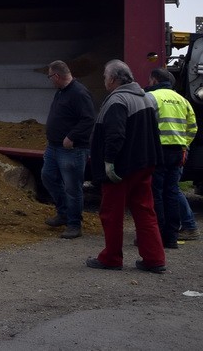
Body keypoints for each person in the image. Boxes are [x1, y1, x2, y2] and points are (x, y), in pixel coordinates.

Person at [85, 59, 166, 274]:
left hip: (122, 168)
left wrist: (109, 163)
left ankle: (111, 258)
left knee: (112, 213)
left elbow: (115, 135)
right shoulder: (146, 98)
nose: (104, 81)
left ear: (112, 79)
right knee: (145, 211)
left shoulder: (117, 101)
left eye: (104, 77)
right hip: (145, 164)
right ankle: (154, 259)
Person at [41, 60, 96, 239]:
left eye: (50, 76)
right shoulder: (61, 92)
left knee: (73, 188)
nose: (50, 80)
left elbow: (88, 119)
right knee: (48, 177)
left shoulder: (79, 93)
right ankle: (63, 213)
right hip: (53, 147)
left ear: (57, 76)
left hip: (71, 149)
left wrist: (71, 136)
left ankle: (74, 223)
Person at [145, 68, 197, 248]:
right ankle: (172, 237)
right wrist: (184, 145)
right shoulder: (182, 100)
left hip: (158, 152)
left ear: (154, 80)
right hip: (177, 152)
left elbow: (145, 125)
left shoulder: (151, 98)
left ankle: (157, 235)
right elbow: (193, 127)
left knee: (156, 194)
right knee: (172, 192)